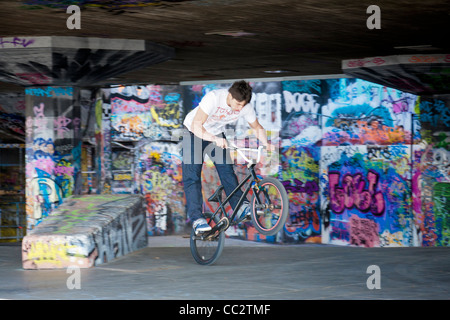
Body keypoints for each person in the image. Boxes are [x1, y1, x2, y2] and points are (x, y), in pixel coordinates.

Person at [182, 80, 276, 234]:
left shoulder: (245, 107)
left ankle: (240, 207)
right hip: (192, 133)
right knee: (192, 176)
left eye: (243, 105)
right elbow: (196, 126)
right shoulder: (213, 98)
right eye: (237, 104)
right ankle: (197, 220)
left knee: (227, 171)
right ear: (230, 96)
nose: (239, 109)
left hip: (216, 134)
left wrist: (266, 143)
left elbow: (257, 127)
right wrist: (214, 139)